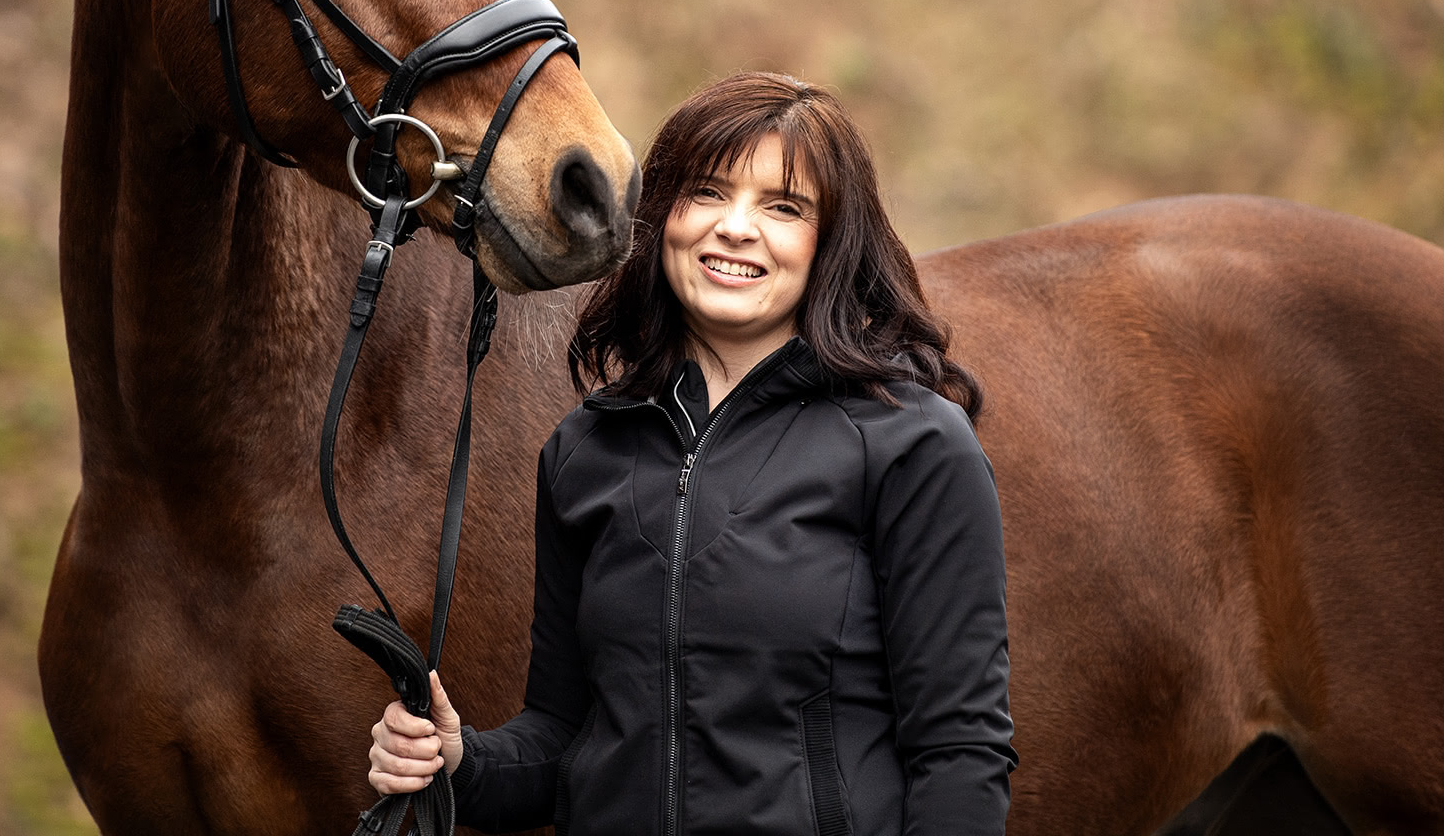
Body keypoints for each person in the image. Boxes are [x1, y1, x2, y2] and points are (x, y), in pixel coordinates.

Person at [368, 71, 1016, 835]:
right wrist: (460, 762)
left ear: (830, 242)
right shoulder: (587, 450)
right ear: (662, 216)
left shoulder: (911, 444)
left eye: (783, 207)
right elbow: (564, 738)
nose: (736, 228)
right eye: (707, 192)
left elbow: (961, 753)